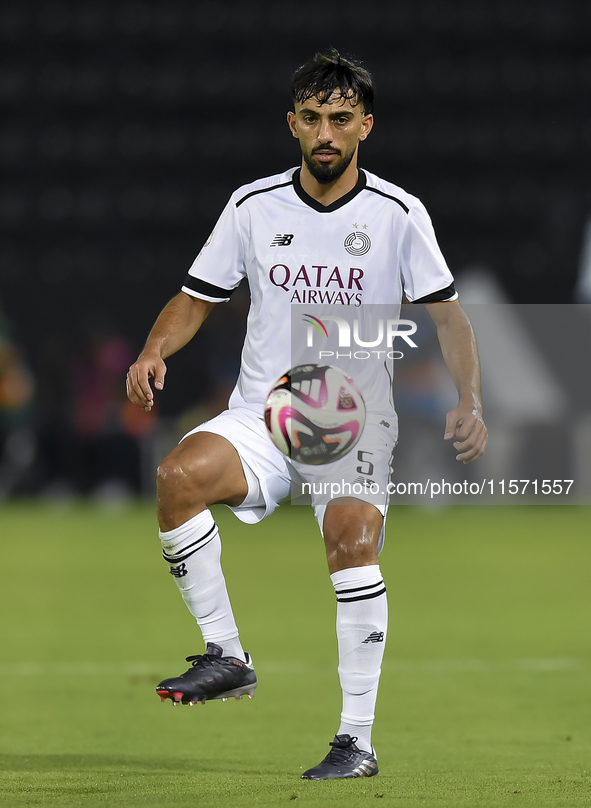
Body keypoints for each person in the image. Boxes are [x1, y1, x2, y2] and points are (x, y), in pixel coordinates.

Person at [126, 48, 488, 780]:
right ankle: (227, 655)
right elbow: (197, 294)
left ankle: (355, 741)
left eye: (341, 119)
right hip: (262, 415)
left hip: (350, 426)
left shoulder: (397, 213)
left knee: (352, 544)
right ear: (293, 124)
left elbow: (448, 318)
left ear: (365, 127)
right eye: (314, 118)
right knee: (176, 479)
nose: (327, 132)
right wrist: (152, 350)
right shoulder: (253, 205)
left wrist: (470, 401)